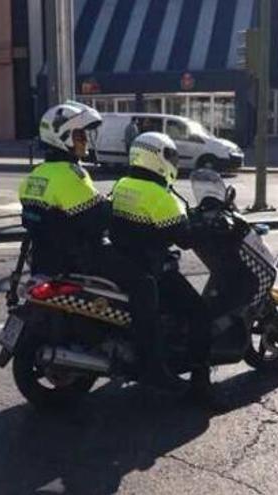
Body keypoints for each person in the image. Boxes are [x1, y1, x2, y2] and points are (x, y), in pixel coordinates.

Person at [109, 132, 217, 402]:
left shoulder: (123, 184)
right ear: (155, 158)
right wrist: (206, 227)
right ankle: (201, 384)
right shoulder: (158, 195)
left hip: (125, 262)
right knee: (200, 313)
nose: (174, 162)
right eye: (169, 156)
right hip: (153, 268)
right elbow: (184, 238)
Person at [18, 101, 108, 276]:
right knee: (143, 282)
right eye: (80, 135)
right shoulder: (71, 173)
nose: (85, 141)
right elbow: (99, 217)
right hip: (77, 262)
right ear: (63, 136)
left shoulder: (35, 174)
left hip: (41, 262)